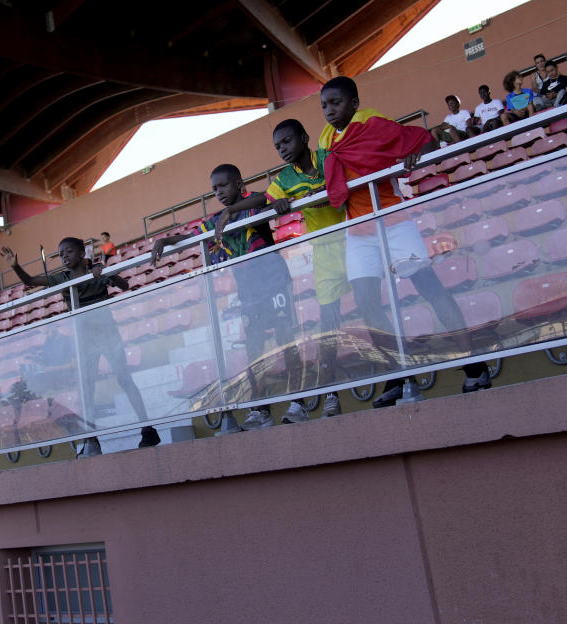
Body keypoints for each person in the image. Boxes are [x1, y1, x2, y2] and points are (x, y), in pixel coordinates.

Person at [317, 75, 491, 406]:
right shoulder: (327, 138)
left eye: (336, 103)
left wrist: (415, 155)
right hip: (358, 230)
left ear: (354, 103)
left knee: (430, 288)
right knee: (367, 303)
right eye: (324, 105)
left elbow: (420, 138)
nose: (329, 110)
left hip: (394, 221)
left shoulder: (371, 122)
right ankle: (398, 375)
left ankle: (475, 365)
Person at [152, 163, 310, 426]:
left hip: (273, 281)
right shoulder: (218, 220)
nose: (219, 192)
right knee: (253, 350)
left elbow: (268, 200)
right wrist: (166, 241)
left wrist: (267, 207)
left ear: (238, 184)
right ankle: (261, 409)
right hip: (248, 292)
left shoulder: (251, 203)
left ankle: (299, 402)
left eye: (223, 185)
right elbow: (192, 236)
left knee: (286, 341)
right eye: (214, 189)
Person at [0, 238, 159, 452]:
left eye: (69, 251)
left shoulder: (97, 272)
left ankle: (147, 429)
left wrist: (106, 272)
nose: (64, 256)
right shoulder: (62, 278)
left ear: (82, 252)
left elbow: (124, 285)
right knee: (87, 387)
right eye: (61, 254)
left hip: (108, 334)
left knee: (124, 378)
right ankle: (92, 439)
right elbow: (30, 281)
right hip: (85, 339)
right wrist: (15, 266)